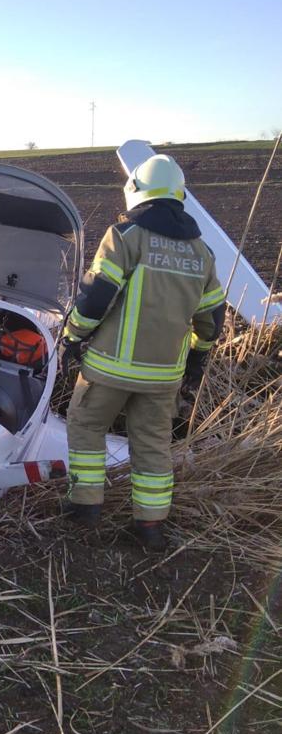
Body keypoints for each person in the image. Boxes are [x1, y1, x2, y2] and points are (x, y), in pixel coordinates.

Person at [58, 154, 226, 550]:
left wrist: (71, 338)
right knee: (152, 445)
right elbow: (213, 319)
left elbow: (97, 295)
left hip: (108, 370)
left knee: (85, 426)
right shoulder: (201, 254)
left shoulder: (125, 236)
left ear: (135, 191)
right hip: (164, 377)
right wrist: (197, 360)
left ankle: (85, 509)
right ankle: (150, 527)